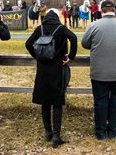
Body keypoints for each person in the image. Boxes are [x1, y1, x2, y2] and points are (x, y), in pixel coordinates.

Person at [81, 0, 116, 140]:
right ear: (114, 10)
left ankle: (100, 132)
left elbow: (85, 43)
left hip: (99, 72)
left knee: (100, 101)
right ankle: (113, 131)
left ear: (101, 11)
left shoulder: (93, 25)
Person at [25, 9, 78, 148]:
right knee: (57, 102)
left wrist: (37, 55)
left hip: (42, 70)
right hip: (58, 69)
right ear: (56, 18)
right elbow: (74, 38)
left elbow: (27, 44)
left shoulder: (40, 28)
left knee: (45, 102)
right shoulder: (61, 28)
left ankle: (48, 132)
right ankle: (56, 135)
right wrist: (70, 56)